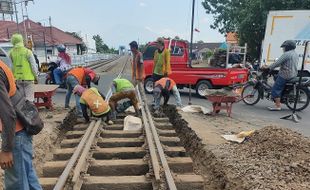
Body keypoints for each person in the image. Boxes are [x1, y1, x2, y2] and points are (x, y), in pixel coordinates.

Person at [0, 60, 42, 190]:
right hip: (20, 133)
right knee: (28, 179)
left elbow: (8, 114)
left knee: (16, 184)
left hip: (16, 135)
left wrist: (6, 150)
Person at [262, 40, 298, 111]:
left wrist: (268, 67)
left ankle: (277, 106)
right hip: (293, 74)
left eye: (284, 47)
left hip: (286, 75)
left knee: (275, 89)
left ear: (288, 47)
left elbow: (277, 63)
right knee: (276, 77)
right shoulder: (295, 54)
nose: (283, 49)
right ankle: (280, 97)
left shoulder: (287, 54)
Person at [9, 33, 38, 102]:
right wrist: (36, 76)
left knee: (20, 100)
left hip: (17, 80)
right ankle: (30, 112)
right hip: (28, 79)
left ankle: (22, 112)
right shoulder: (28, 52)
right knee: (30, 99)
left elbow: (10, 67)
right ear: (22, 40)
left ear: (13, 41)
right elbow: (33, 66)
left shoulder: (10, 53)